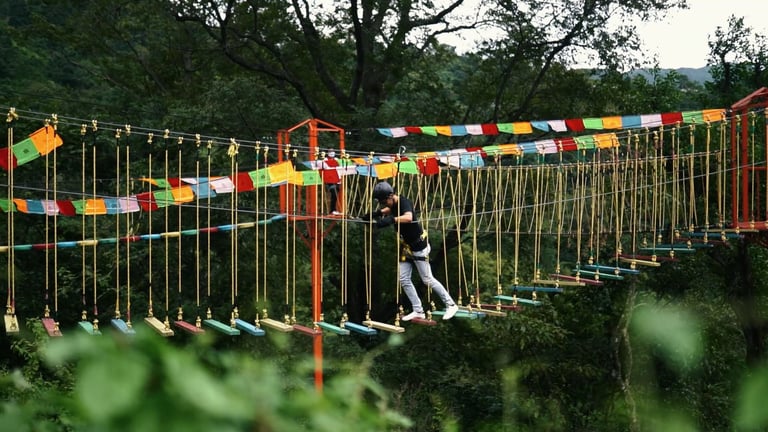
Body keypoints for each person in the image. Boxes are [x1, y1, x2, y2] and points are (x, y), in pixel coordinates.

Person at [369, 181, 459, 321]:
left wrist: (391, 221)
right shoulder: (392, 204)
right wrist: (377, 213)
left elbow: (408, 217)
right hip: (407, 248)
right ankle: (418, 310)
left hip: (418, 247)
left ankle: (451, 304)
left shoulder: (404, 202)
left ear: (391, 196)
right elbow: (390, 209)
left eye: (384, 202)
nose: (384, 205)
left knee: (427, 279)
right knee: (404, 279)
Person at [324, 150, 341, 215]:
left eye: (333, 151)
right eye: (330, 152)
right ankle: (332, 210)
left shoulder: (336, 159)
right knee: (333, 193)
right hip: (329, 179)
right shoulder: (325, 160)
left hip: (337, 178)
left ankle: (333, 209)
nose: (332, 153)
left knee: (336, 195)